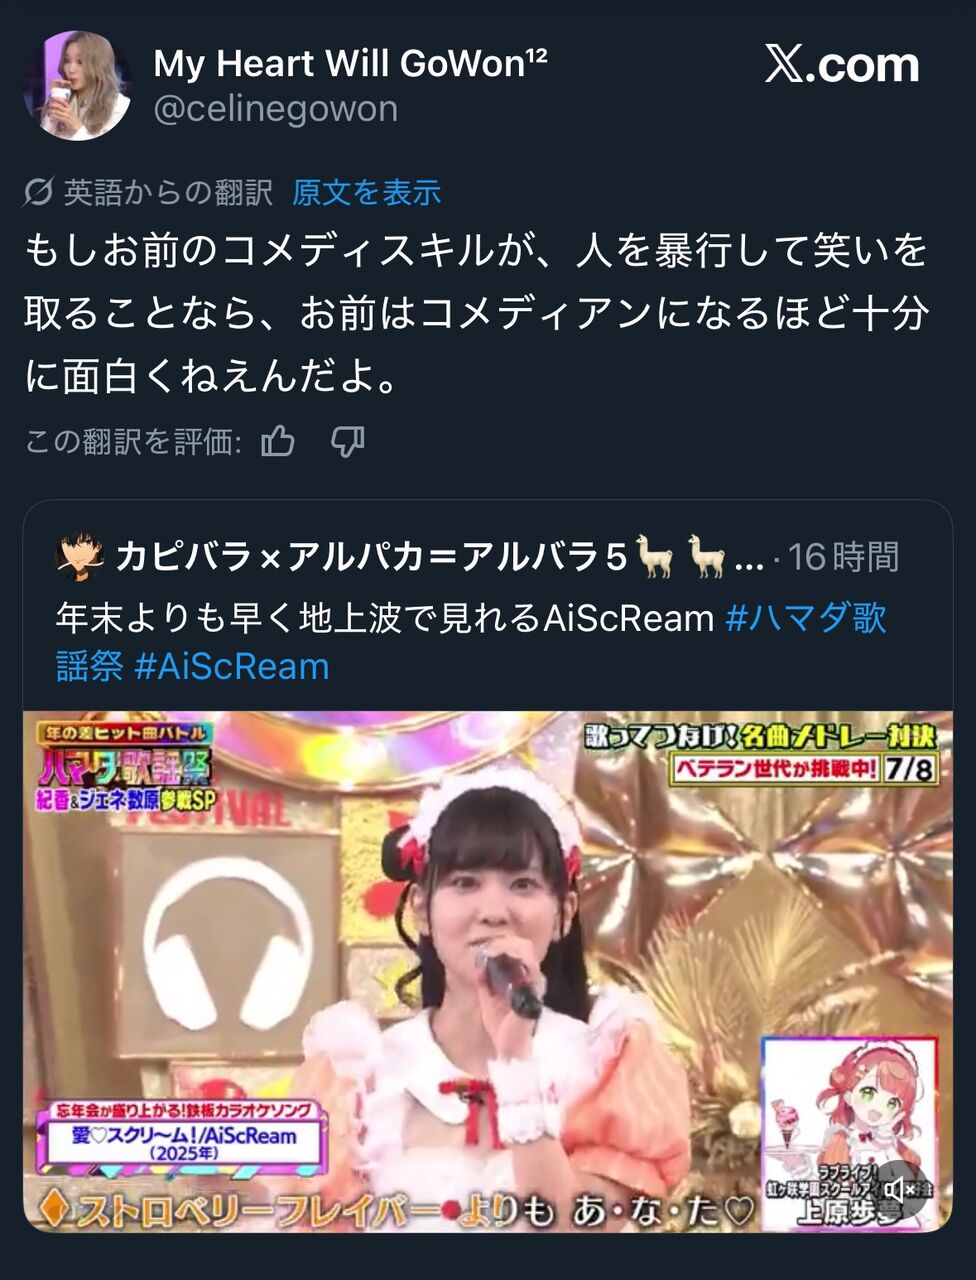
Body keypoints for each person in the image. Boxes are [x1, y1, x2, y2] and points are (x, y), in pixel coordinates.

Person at [257, 765, 690, 1232]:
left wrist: (517, 1066)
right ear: (422, 908)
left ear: (564, 913)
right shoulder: (359, 1079)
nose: (493, 911)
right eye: (465, 882)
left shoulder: (603, 1064)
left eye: (522, 884)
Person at [41, 32, 129, 141]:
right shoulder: (61, 99)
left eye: (80, 62)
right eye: (67, 61)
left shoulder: (120, 106)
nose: (71, 69)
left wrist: (76, 126)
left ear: (99, 64)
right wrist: (53, 113)